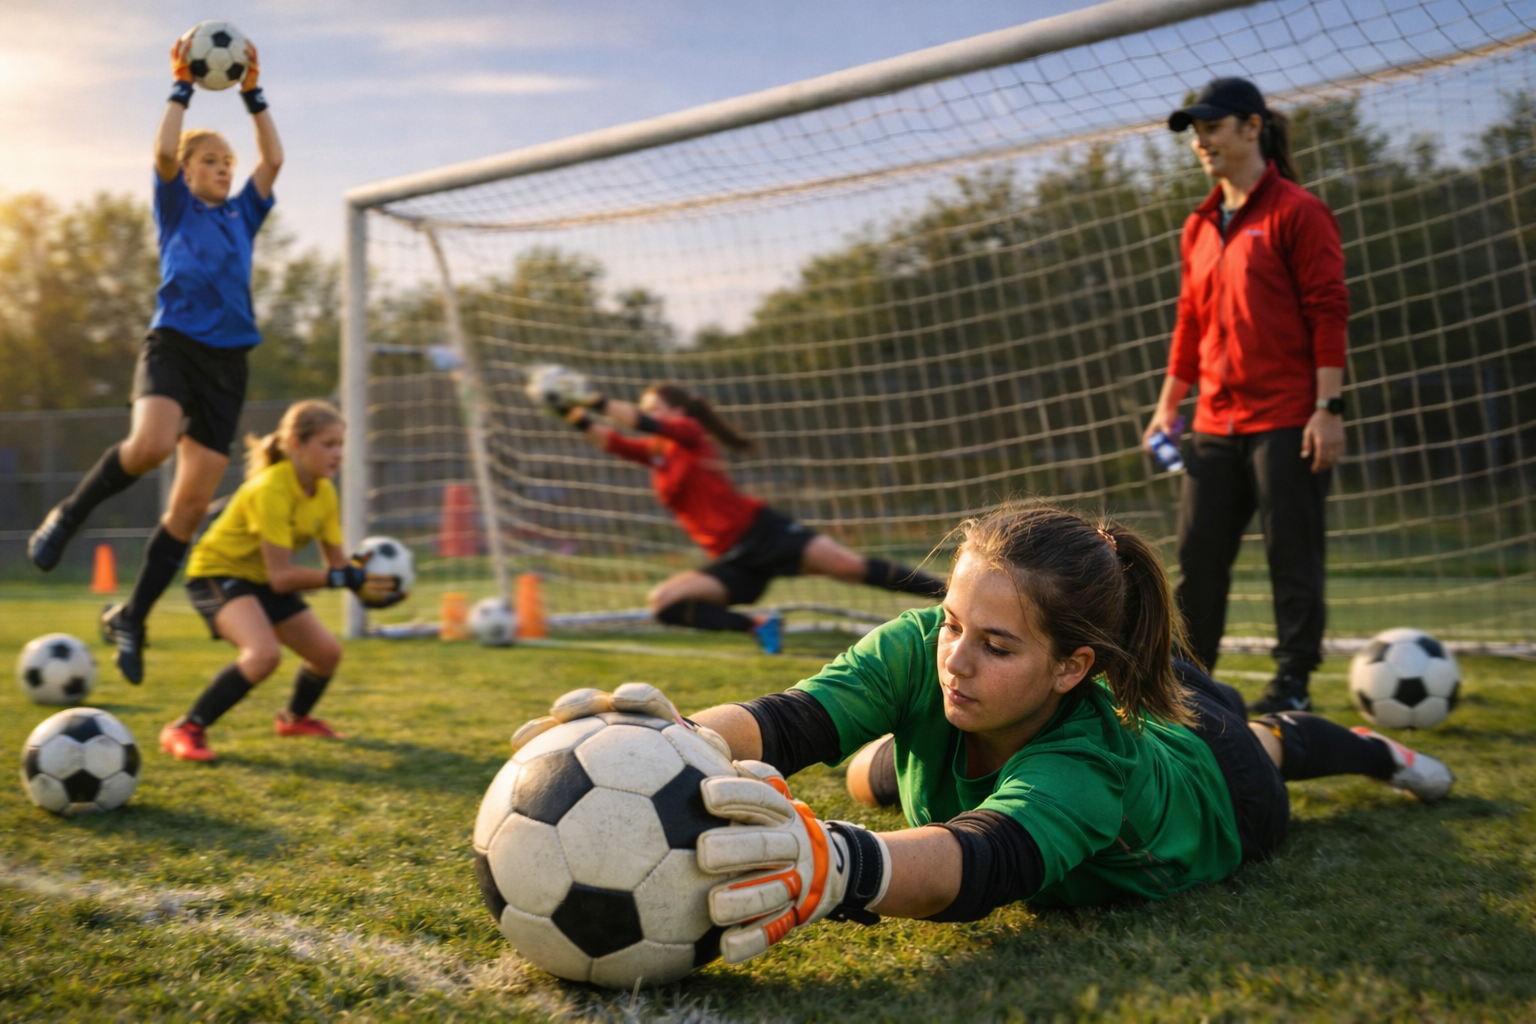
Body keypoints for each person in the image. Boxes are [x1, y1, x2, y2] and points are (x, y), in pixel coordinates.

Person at [513, 505, 1452, 965]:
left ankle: (1382, 752)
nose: (955, 657)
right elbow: (788, 720)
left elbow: (986, 863)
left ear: (1072, 666)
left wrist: (834, 867)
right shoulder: (932, 646)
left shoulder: (1095, 758)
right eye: (954, 623)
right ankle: (898, 761)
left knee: (1267, 742)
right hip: (1053, 718)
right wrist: (666, 735)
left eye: (995, 645)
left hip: (1217, 783)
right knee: (872, 776)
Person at [27, 34, 283, 686]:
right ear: (190, 170)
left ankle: (131, 616)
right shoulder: (175, 208)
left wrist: (253, 95)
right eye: (213, 160)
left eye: (229, 161)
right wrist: (182, 86)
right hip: (173, 346)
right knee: (150, 445)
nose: (226, 167)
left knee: (192, 508)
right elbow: (163, 150)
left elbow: (273, 158)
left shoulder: (243, 215)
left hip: (228, 366)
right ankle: (67, 515)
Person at [1143, 77, 1350, 714]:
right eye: (1195, 132)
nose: (1202, 141)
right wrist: (1166, 405)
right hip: (1213, 421)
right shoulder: (1199, 225)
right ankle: (1186, 682)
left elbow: (1328, 309)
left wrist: (1326, 408)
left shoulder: (1296, 210)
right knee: (1197, 557)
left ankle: (1292, 684)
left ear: (1252, 127)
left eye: (1212, 127)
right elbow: (1190, 324)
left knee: (1293, 554)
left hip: (1289, 416)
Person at [548, 379, 946, 653]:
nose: (647, 414)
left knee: (850, 567)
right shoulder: (657, 452)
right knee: (665, 603)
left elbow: (638, 423)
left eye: (655, 408)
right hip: (735, 559)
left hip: (764, 533)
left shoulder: (686, 431)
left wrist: (589, 397)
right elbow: (614, 441)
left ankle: (951, 594)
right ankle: (757, 625)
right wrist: (570, 411)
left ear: (678, 412)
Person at [158, 401, 399, 762]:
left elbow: (337, 567)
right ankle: (186, 728)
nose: (338, 454)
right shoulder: (271, 488)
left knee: (327, 654)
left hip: (263, 582)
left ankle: (293, 720)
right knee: (262, 655)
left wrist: (371, 583)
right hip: (217, 573)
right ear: (297, 445)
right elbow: (284, 577)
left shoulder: (324, 491)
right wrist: (341, 577)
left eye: (340, 444)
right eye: (328, 444)